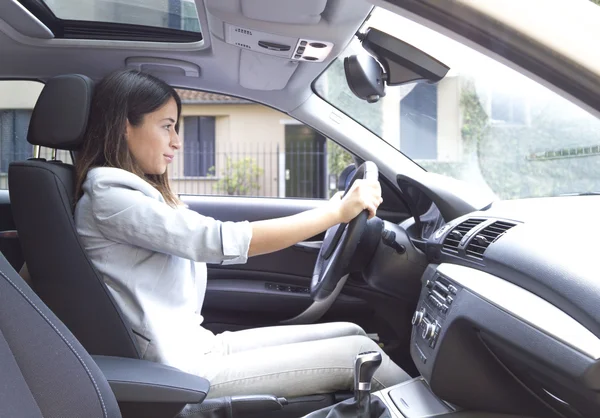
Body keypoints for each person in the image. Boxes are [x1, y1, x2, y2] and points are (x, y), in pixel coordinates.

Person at [74, 69, 410, 399]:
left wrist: (334, 213)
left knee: (352, 332)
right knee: (362, 355)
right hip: (179, 370)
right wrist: (334, 214)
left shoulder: (132, 193)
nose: (177, 142)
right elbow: (218, 240)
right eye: (167, 127)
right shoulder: (111, 196)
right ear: (124, 128)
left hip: (197, 345)